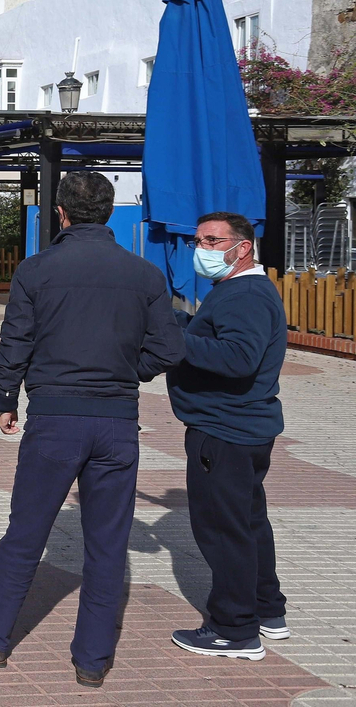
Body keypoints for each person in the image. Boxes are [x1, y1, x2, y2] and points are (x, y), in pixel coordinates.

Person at [0, 171, 185, 688]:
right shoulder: (145, 276)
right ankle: (92, 660)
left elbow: (14, 341)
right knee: (108, 544)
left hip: (55, 418)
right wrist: (131, 369)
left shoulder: (36, 271)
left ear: (60, 213)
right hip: (117, 421)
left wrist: (4, 400)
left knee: (25, 533)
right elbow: (170, 349)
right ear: (108, 212)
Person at [168, 211, 289, 660]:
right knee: (248, 521)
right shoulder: (237, 291)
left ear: (243, 247)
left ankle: (234, 629)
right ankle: (267, 611)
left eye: (214, 241)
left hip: (225, 430)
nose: (203, 248)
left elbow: (239, 358)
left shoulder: (245, 294)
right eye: (199, 240)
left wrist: (175, 338)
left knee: (224, 530)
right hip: (241, 427)